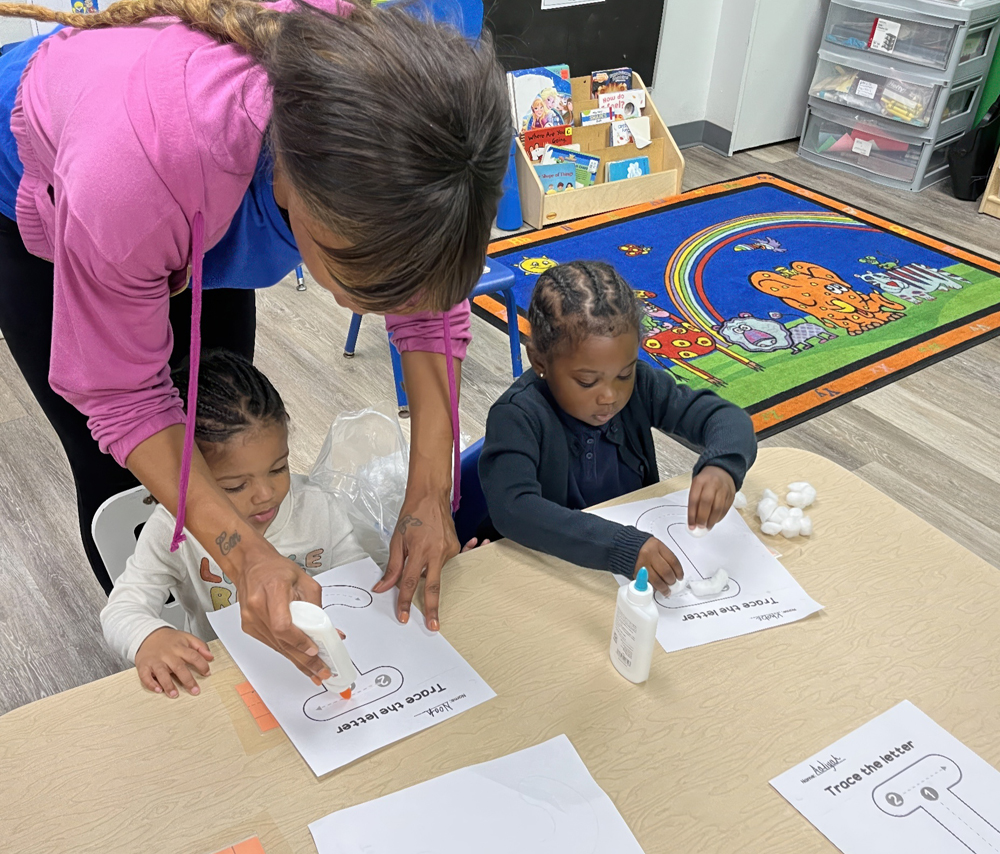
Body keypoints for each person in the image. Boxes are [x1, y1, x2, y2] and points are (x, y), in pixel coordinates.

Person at [0, 0, 512, 682]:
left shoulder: (417, 110)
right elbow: (123, 398)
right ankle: (165, 653)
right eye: (354, 280)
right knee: (125, 476)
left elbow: (429, 306)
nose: (385, 310)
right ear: (288, 185)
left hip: (180, 183)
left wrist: (428, 492)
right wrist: (242, 555)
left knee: (221, 426)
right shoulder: (144, 167)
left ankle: (240, 622)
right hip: (50, 186)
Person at [478, 261, 758, 595]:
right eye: (586, 381)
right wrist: (620, 546)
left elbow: (727, 419)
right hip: (551, 574)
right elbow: (515, 509)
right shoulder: (517, 417)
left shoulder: (642, 386)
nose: (610, 396)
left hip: (626, 572)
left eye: (623, 374)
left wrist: (721, 465)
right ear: (540, 362)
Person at [101, 350, 367, 698]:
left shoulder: (317, 507)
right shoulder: (173, 530)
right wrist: (149, 637)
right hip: (230, 676)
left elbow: (359, 576)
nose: (265, 493)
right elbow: (121, 609)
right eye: (235, 486)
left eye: (278, 468)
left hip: (318, 667)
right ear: (192, 482)